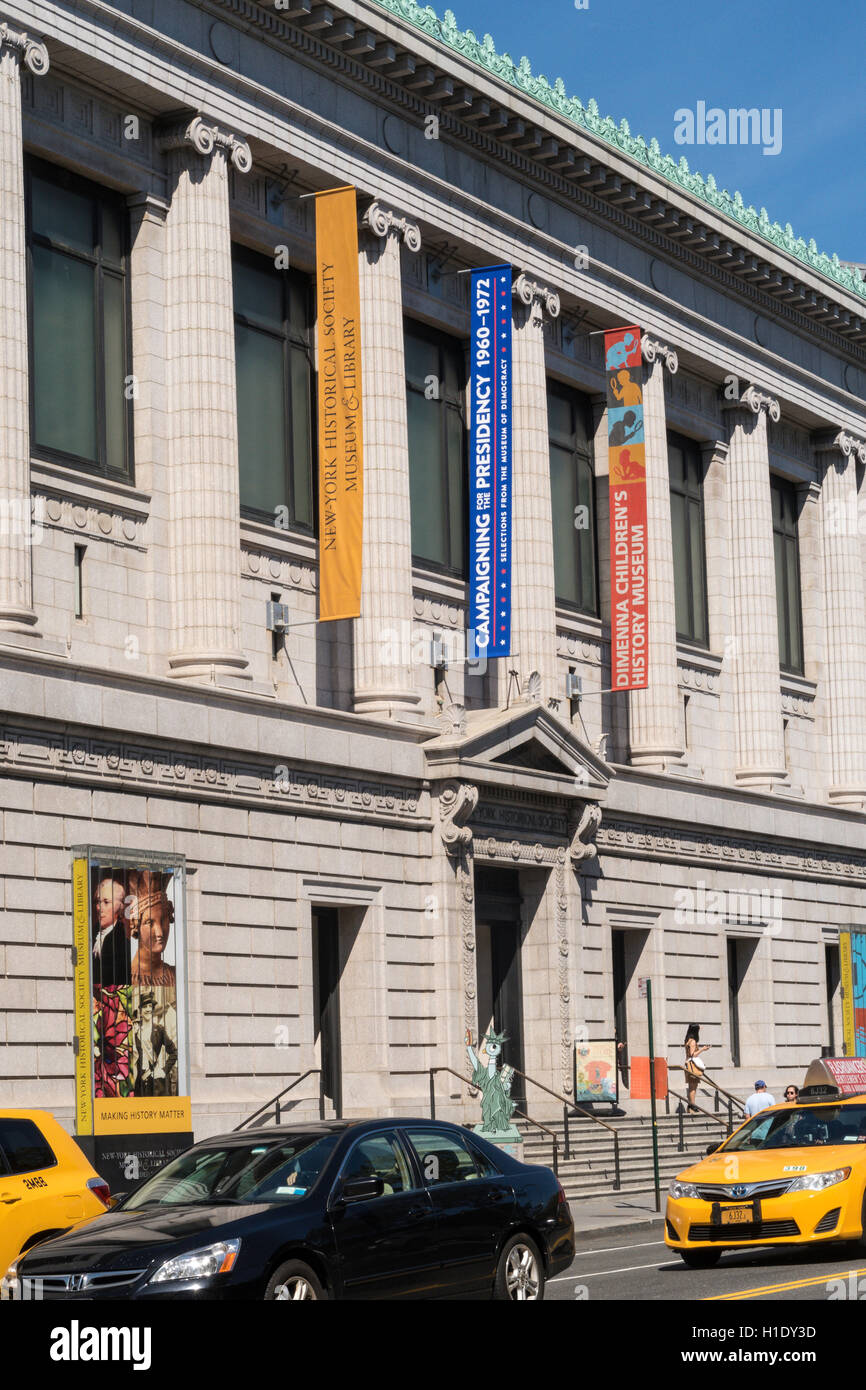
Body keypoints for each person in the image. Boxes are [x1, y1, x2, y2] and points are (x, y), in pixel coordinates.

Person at [92, 872, 131, 988]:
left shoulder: (122, 940)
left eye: (106, 902)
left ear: (119, 907)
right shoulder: (91, 934)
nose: (99, 908)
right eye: (98, 902)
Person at [683, 1024, 710, 1112]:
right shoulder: (693, 1041)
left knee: (691, 1086)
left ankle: (691, 1105)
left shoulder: (687, 1040)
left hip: (688, 1064)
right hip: (692, 1066)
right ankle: (692, 1105)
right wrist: (703, 1049)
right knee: (693, 1086)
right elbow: (692, 1054)